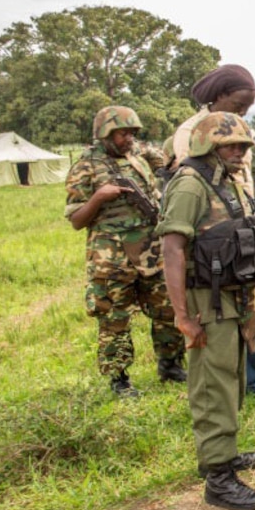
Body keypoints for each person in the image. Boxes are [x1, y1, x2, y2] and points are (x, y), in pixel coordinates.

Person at [158, 111, 255, 510]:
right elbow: (172, 249)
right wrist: (183, 316)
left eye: (242, 146)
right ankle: (218, 479)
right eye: (230, 146)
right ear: (208, 145)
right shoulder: (190, 184)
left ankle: (222, 454)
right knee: (212, 382)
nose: (239, 153)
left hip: (233, 295)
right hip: (207, 299)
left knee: (232, 377)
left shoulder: (227, 182)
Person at [171, 64, 255, 396]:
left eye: (248, 106)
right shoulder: (192, 131)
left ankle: (250, 382)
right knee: (220, 327)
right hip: (215, 247)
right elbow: (197, 182)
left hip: (243, 237)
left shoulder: (237, 128)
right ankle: (227, 389)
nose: (243, 111)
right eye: (238, 104)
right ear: (219, 96)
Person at [65, 106, 184, 398]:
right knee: (114, 317)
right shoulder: (86, 166)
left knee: (167, 308)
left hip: (150, 251)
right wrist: (99, 197)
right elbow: (77, 220)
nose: (129, 138)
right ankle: (119, 379)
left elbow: (168, 162)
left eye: (132, 133)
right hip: (112, 257)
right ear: (105, 133)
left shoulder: (137, 156)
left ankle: (170, 365)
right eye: (122, 133)